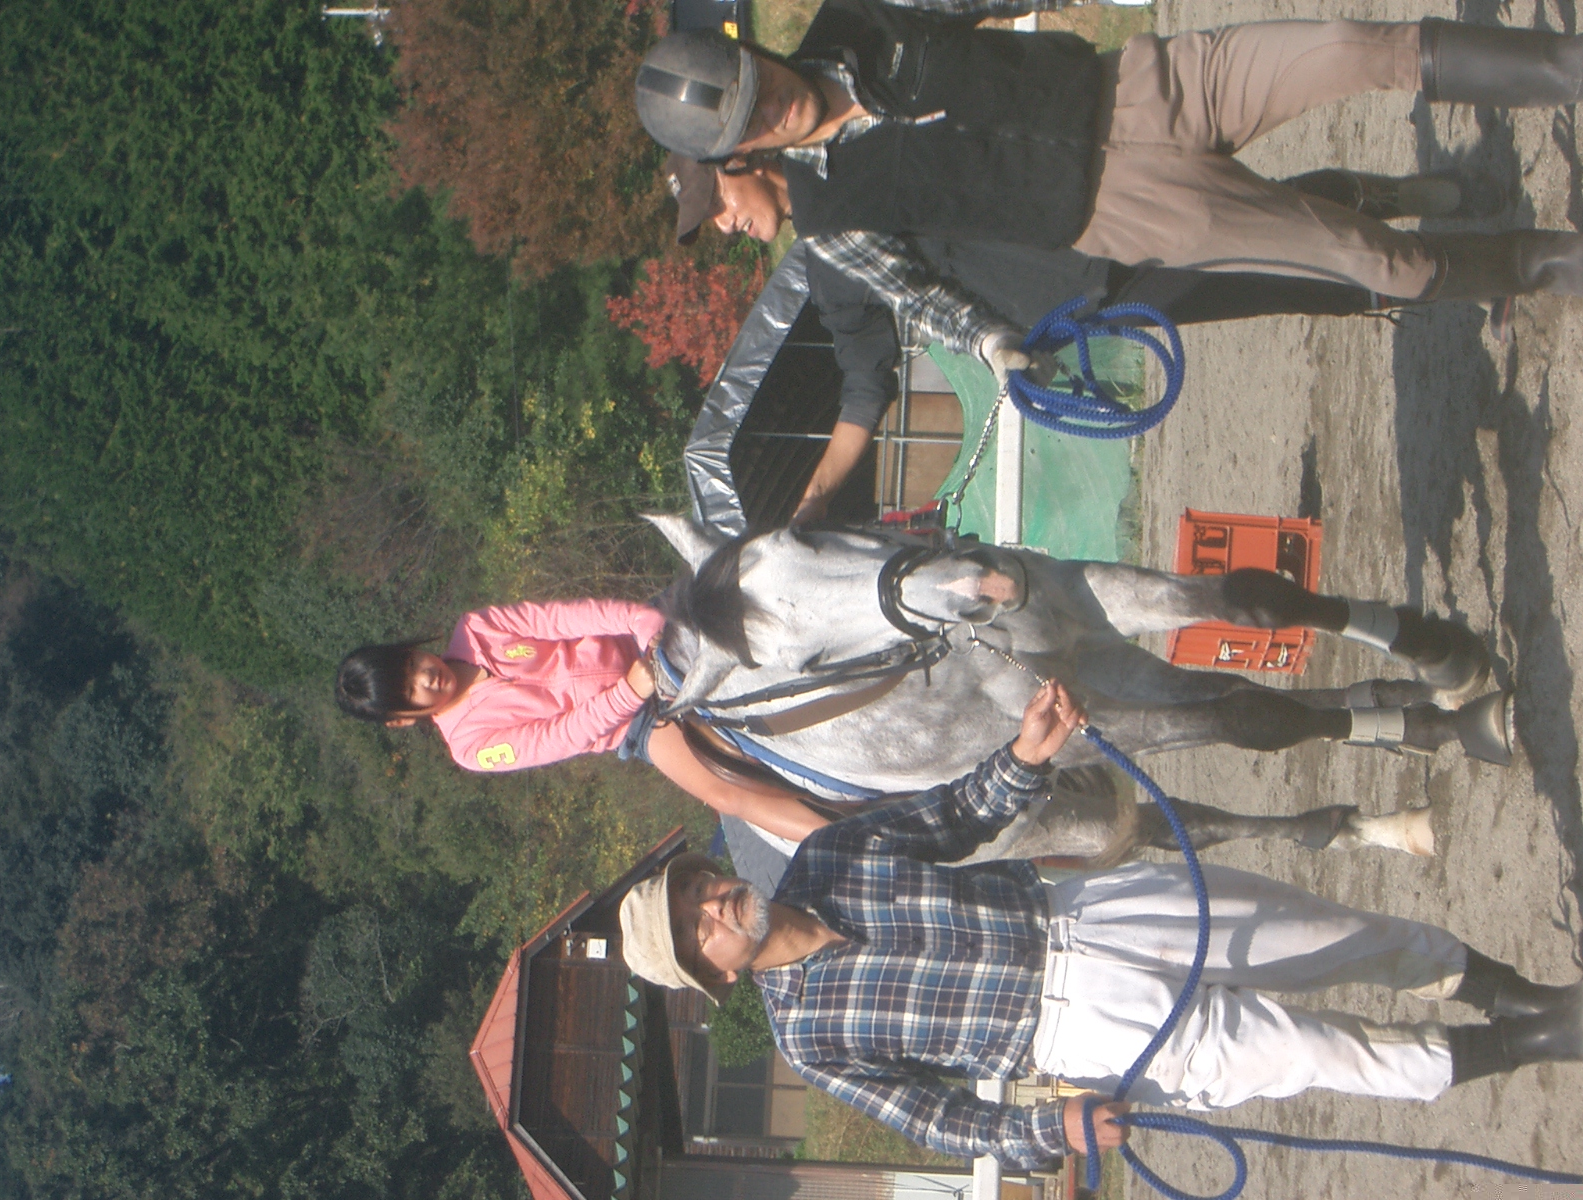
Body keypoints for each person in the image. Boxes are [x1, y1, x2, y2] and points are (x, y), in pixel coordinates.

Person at [617, 679, 1583, 1165]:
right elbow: (943, 1119)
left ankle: (1517, 995)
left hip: (1092, 912)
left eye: (699, 887)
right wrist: (1056, 1128)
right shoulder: (812, 1043)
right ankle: (1536, 1041)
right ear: (718, 974)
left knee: (1337, 934)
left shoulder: (830, 855)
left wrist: (1025, 757)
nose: (712, 904)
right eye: (697, 927)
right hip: (1081, 1031)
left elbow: (950, 818)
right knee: (1318, 1053)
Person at [636, 16, 1583, 391]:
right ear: (738, 153)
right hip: (1122, 209)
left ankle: (1567, 67)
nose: (776, 104)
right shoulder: (828, 217)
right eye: (754, 121)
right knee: (1381, 262)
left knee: (1355, 48)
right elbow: (918, 295)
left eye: (759, 81)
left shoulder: (854, 21)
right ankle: (1547, 262)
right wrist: (991, 342)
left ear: (753, 51)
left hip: (1137, 85)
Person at [663, 153, 1473, 521]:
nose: (726, 226)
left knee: (1242, 224)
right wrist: (808, 505)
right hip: (1076, 300)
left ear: (740, 159)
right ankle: (1403, 263)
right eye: (712, 224)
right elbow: (864, 385)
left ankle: (1377, 205)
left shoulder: (849, 154)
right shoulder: (829, 269)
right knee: (1244, 281)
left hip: (1078, 212)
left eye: (717, 205)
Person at [335, 599, 833, 842]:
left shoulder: (477, 627)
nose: (425, 676)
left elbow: (566, 618)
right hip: (636, 723)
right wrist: (629, 693)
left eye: (411, 663)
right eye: (410, 691)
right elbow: (560, 736)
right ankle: (842, 836)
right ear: (401, 721)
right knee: (726, 795)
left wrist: (642, 624)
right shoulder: (471, 747)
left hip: (648, 649)